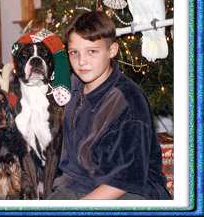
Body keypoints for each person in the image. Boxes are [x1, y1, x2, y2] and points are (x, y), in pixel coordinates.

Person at [47, 11, 171, 200]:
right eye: (74, 53)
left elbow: (125, 179)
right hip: (78, 184)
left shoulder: (128, 100)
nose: (81, 62)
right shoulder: (71, 87)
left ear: (112, 51)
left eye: (92, 51)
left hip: (130, 191)